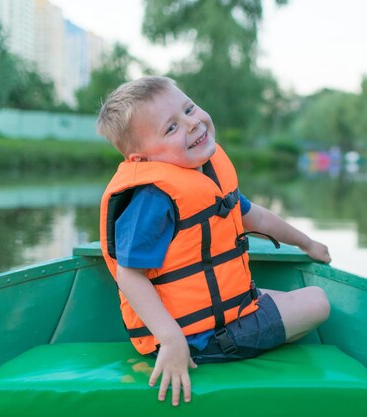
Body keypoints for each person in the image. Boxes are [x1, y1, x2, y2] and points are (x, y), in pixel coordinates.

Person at [96, 76, 331, 407]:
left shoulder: (206, 174)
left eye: (189, 108)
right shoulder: (153, 197)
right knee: (317, 301)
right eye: (171, 128)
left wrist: (307, 243)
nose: (192, 124)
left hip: (213, 321)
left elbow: (258, 218)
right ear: (141, 159)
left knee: (277, 298)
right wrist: (171, 340)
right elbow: (129, 275)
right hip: (199, 340)